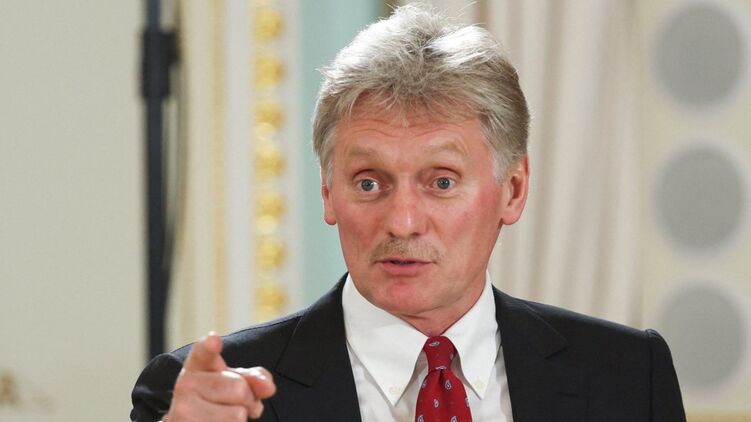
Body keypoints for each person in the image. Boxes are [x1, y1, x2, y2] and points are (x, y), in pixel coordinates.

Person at [130, 5, 686, 422]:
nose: (401, 222)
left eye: (441, 182)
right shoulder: (210, 398)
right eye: (369, 183)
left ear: (513, 190)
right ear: (328, 192)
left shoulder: (627, 376)